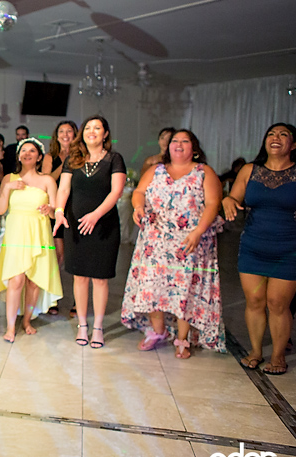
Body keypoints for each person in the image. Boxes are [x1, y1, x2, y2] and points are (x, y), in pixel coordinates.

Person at [122, 129, 225, 357]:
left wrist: (198, 231)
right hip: (156, 240)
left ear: (194, 148)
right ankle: (158, 332)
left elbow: (212, 204)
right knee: (153, 286)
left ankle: (182, 339)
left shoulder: (203, 172)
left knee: (184, 289)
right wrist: (138, 207)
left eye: (184, 141)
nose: (178, 144)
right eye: (174, 141)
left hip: (189, 241)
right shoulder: (155, 170)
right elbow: (139, 192)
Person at [223, 123, 296, 374]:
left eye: (283, 134)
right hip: (253, 245)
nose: (276, 137)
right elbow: (234, 197)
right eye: (271, 134)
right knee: (254, 299)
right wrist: (227, 200)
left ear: (293, 145)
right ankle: (255, 351)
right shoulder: (249, 170)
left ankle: (277, 356)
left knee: (277, 303)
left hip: (289, 248)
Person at [53, 115, 126, 349]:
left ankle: (98, 328)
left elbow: (115, 192)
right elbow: (63, 188)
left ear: (105, 134)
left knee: (100, 279)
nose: (91, 132)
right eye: (88, 128)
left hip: (104, 225)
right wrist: (58, 211)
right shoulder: (73, 159)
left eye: (97, 128)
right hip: (75, 225)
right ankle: (82, 325)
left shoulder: (115, 159)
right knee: (79, 277)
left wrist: (96, 215)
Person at [0, 138, 62, 342]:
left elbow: (55, 212)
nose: (27, 154)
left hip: (38, 232)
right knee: (16, 279)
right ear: (18, 155)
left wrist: (50, 209)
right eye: (23, 150)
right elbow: (0, 210)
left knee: (33, 282)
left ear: (39, 157)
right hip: (16, 232)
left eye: (32, 151)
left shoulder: (47, 180)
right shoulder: (9, 178)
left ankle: (27, 320)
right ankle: (10, 326)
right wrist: (7, 188)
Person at [43, 120, 78, 316]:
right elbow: (47, 179)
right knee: (57, 256)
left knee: (74, 256)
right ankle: (53, 299)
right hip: (55, 209)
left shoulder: (82, 156)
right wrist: (65, 164)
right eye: (61, 131)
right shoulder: (51, 157)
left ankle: (76, 301)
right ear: (56, 136)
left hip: (76, 208)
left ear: (75, 135)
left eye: (69, 131)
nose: (65, 135)